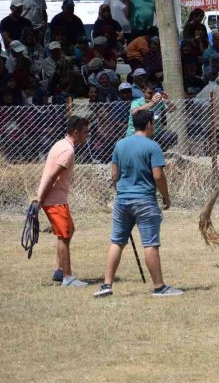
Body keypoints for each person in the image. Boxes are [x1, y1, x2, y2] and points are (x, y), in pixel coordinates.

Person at [94, 110, 181, 298]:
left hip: (122, 200)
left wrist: (121, 191)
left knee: (117, 241)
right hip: (145, 200)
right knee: (150, 244)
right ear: (149, 124)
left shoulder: (120, 144)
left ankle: (106, 285)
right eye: (154, 123)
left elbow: (114, 175)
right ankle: (159, 287)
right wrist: (166, 196)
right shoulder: (153, 146)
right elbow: (158, 175)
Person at [33, 116, 91, 287]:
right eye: (85, 132)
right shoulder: (68, 151)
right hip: (54, 199)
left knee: (69, 230)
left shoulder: (61, 144)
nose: (87, 136)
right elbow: (52, 176)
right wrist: (40, 199)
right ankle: (67, 277)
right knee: (64, 235)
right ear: (76, 132)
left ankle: (59, 271)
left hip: (55, 198)